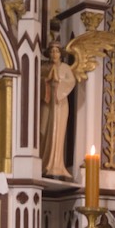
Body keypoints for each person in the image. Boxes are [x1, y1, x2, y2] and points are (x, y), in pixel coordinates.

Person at [40, 44, 77, 179]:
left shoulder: (65, 68)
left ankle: (57, 165)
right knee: (43, 130)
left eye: (57, 51)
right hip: (47, 103)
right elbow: (36, 81)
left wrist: (58, 81)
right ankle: (43, 163)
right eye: (52, 51)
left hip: (60, 103)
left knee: (58, 133)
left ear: (61, 54)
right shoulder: (44, 68)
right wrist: (46, 80)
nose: (54, 54)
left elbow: (71, 81)